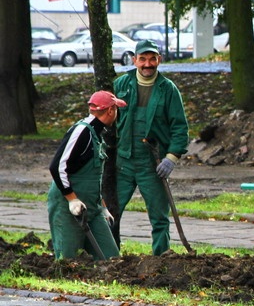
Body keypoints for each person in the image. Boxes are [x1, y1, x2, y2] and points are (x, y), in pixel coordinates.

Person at [113, 39, 189, 255]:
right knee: (110, 212)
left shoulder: (168, 90)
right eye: (143, 59)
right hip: (123, 163)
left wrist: (171, 158)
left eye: (152, 59)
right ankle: (109, 256)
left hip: (152, 164)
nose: (148, 64)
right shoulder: (120, 85)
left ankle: (161, 258)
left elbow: (180, 128)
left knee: (159, 218)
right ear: (134, 60)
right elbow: (105, 120)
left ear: (159, 60)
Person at [47, 91, 126, 260]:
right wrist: (72, 199)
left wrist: (103, 206)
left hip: (92, 206)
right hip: (68, 206)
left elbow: (93, 178)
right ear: (111, 111)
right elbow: (57, 166)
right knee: (69, 261)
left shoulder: (97, 134)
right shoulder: (81, 131)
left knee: (111, 259)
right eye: (116, 110)